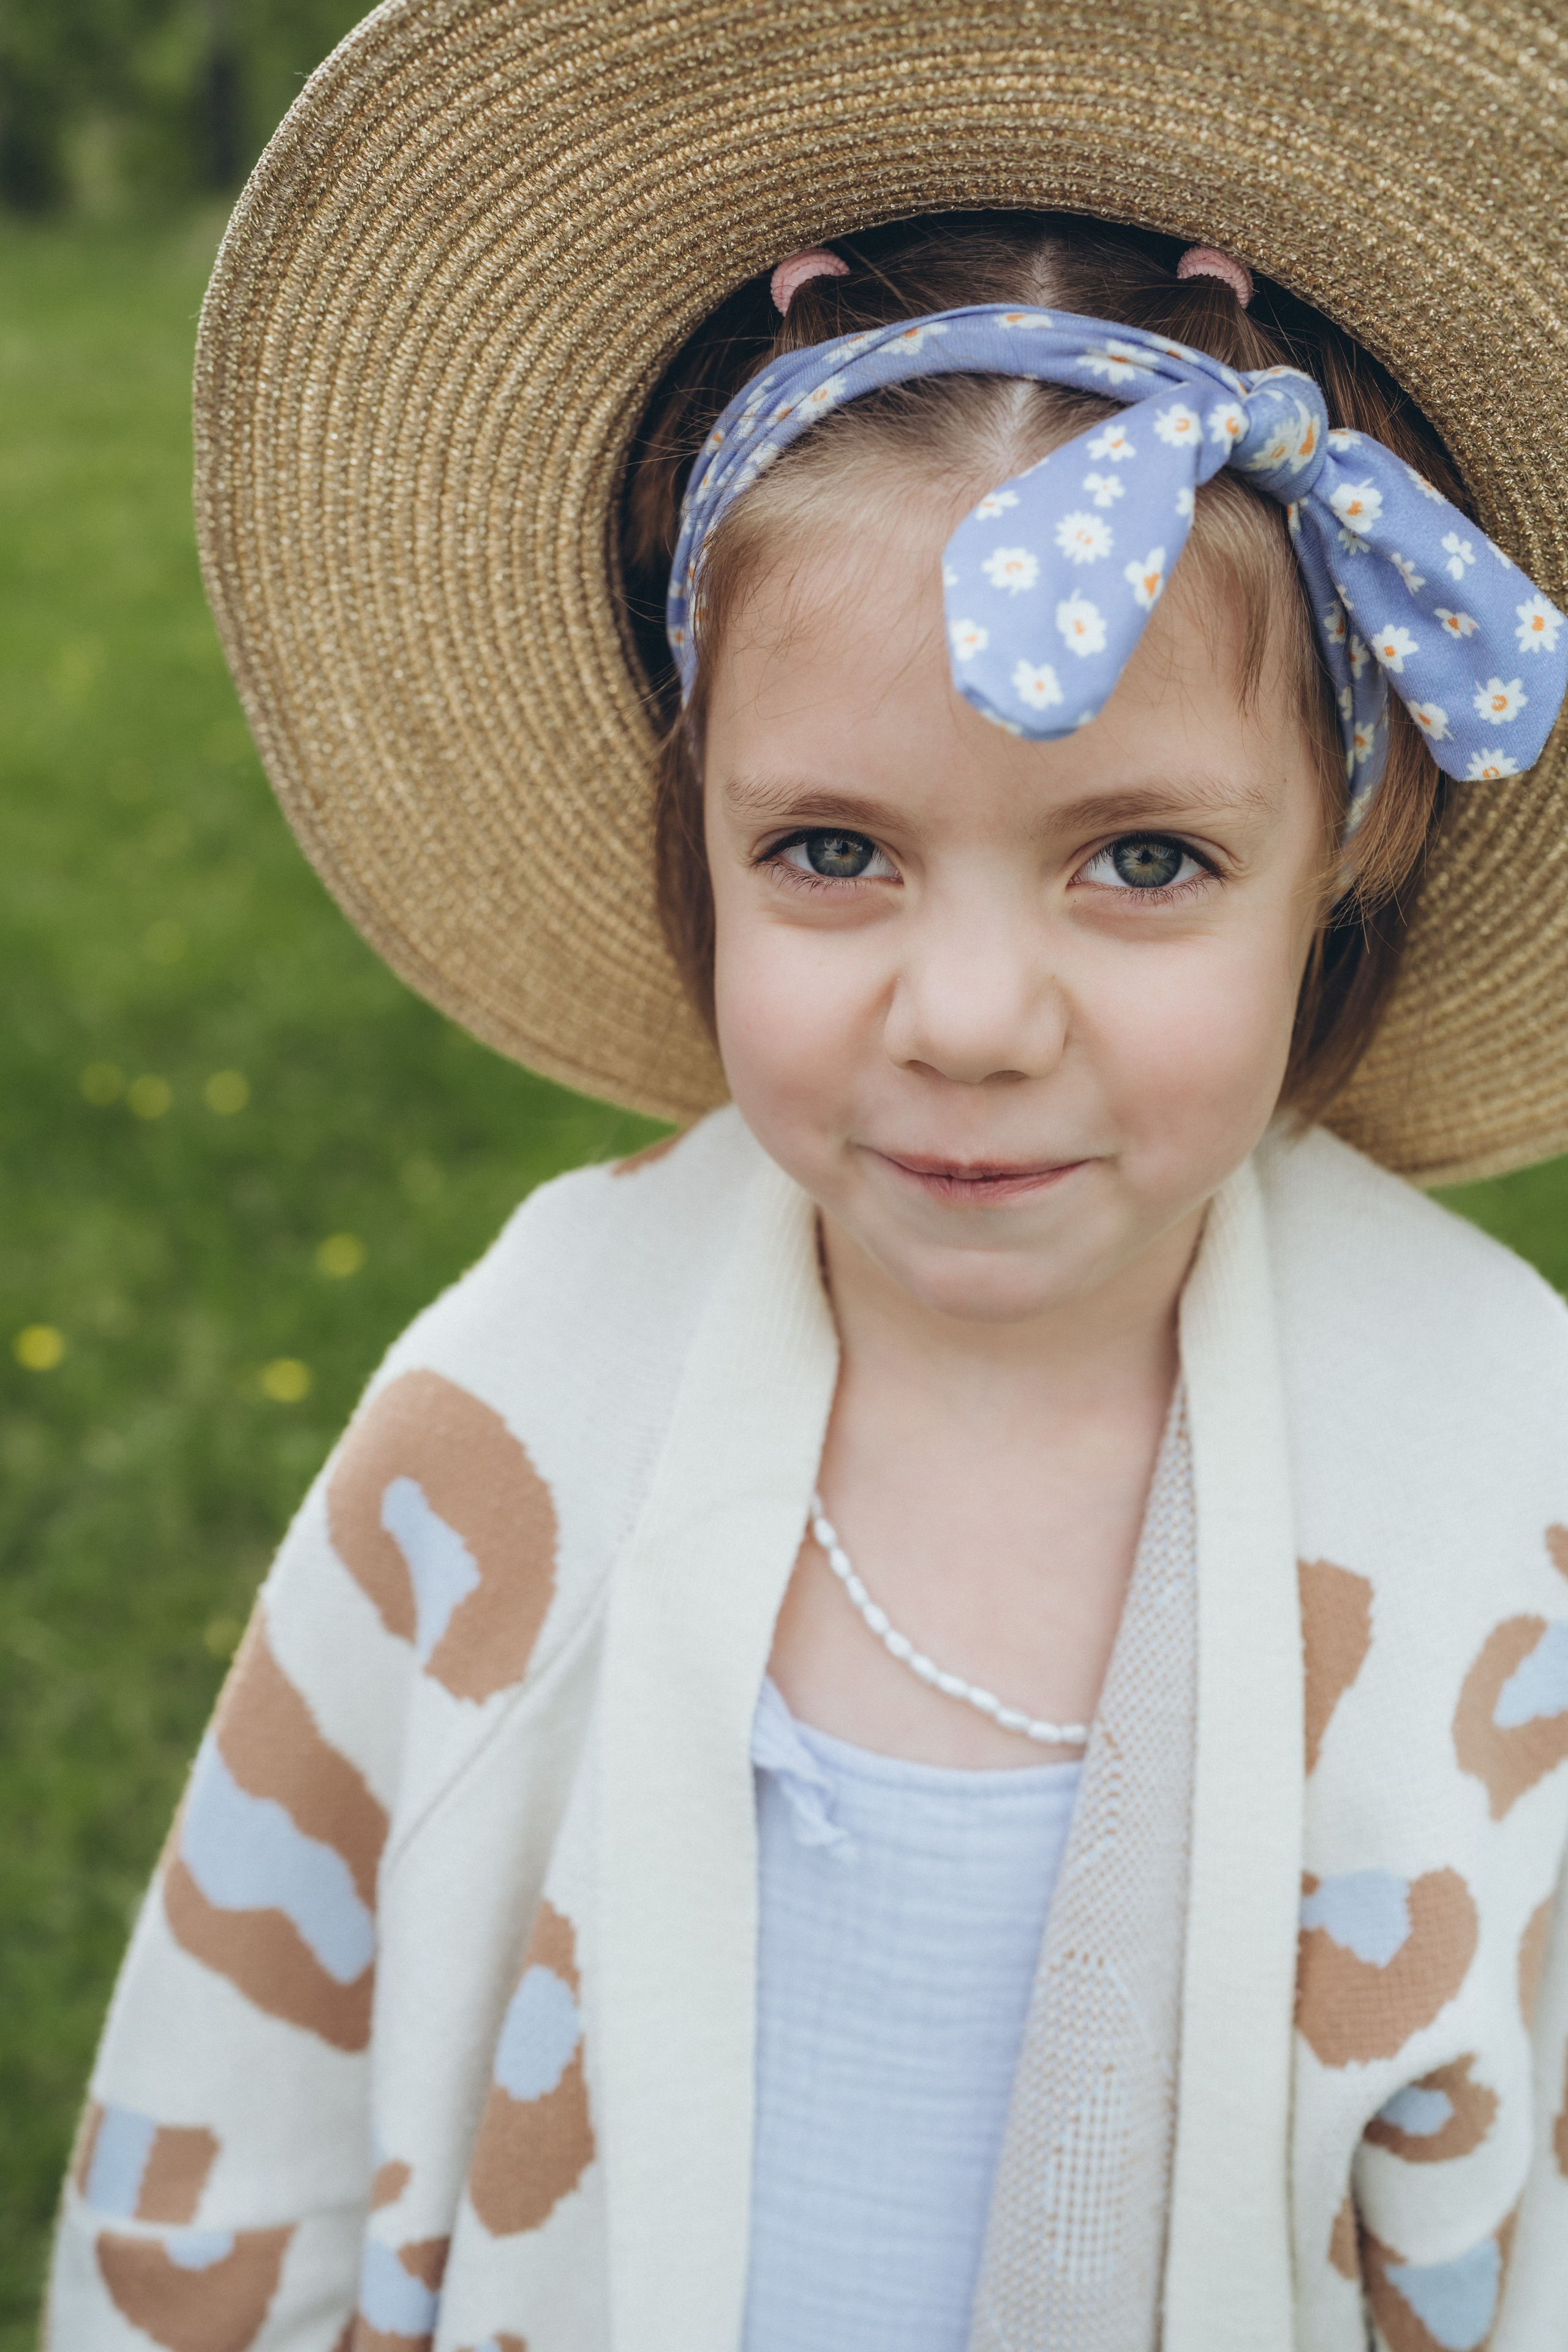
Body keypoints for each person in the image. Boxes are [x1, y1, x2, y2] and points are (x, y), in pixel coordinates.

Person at [47, 4, 1568, 2348]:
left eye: (1143, 857)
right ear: (701, 836)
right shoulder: (516, 1417)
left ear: (1346, 849)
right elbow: (245, 2094)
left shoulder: (1506, 1479)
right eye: (835, 850)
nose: (968, 1012)